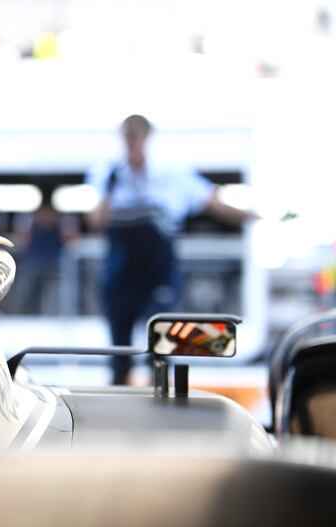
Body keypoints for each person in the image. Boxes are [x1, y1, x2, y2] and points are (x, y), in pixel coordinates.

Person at [85, 114, 255, 385]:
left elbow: (213, 203)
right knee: (119, 357)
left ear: (147, 137)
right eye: (127, 135)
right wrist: (111, 187)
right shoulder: (107, 173)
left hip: (158, 275)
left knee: (161, 349)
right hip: (119, 279)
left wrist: (257, 216)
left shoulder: (172, 174)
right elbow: (96, 221)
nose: (132, 142)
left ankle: (161, 408)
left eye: (136, 135)